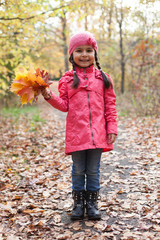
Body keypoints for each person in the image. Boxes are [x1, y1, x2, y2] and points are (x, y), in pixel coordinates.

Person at [41, 31, 117, 220]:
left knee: (93, 170)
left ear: (95, 53)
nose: (84, 55)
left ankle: (91, 204)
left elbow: (110, 105)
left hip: (98, 134)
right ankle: (78, 203)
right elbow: (64, 105)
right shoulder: (67, 80)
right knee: (78, 170)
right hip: (77, 135)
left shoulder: (103, 78)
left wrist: (112, 128)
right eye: (79, 50)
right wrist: (48, 96)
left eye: (89, 50)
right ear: (71, 55)